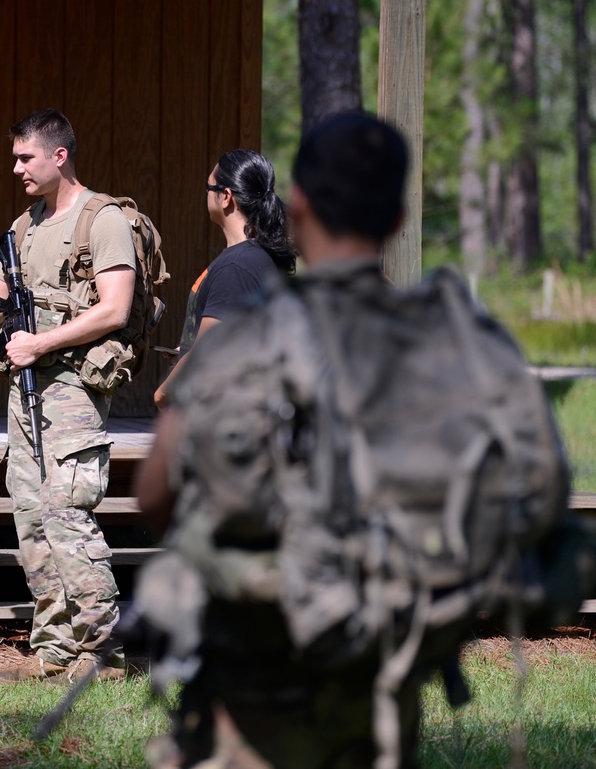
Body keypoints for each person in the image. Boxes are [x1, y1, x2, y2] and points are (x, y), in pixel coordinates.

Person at [135, 112, 421, 768]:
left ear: (299, 205)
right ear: (397, 220)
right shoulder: (421, 335)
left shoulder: (255, 305)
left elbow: (155, 492)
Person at [0, 108, 135, 684]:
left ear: (59, 156)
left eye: (26, 157)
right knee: (31, 518)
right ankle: (55, 649)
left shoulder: (104, 219)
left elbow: (115, 308)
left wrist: (40, 344)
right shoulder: (25, 225)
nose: (15, 167)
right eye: (15, 157)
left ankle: (102, 651)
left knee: (68, 515)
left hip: (72, 388)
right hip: (27, 392)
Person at [153, 149, 296, 409]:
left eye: (209, 187)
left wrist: (163, 395)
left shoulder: (237, 266)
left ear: (226, 197)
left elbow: (209, 351)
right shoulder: (253, 258)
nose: (206, 193)